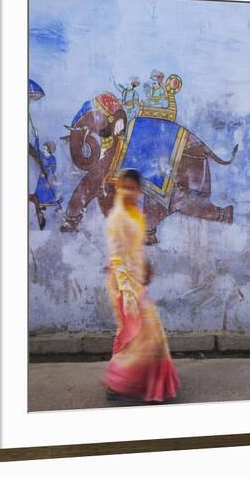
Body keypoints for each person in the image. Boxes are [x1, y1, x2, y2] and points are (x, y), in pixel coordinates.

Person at [102, 168, 180, 403]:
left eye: (132, 188)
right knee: (138, 332)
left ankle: (130, 381)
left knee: (143, 333)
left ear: (138, 191)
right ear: (118, 188)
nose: (127, 192)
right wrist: (126, 292)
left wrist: (146, 265)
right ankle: (119, 382)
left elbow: (136, 248)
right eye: (123, 187)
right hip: (123, 283)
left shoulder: (136, 213)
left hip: (135, 281)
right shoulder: (117, 218)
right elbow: (116, 257)